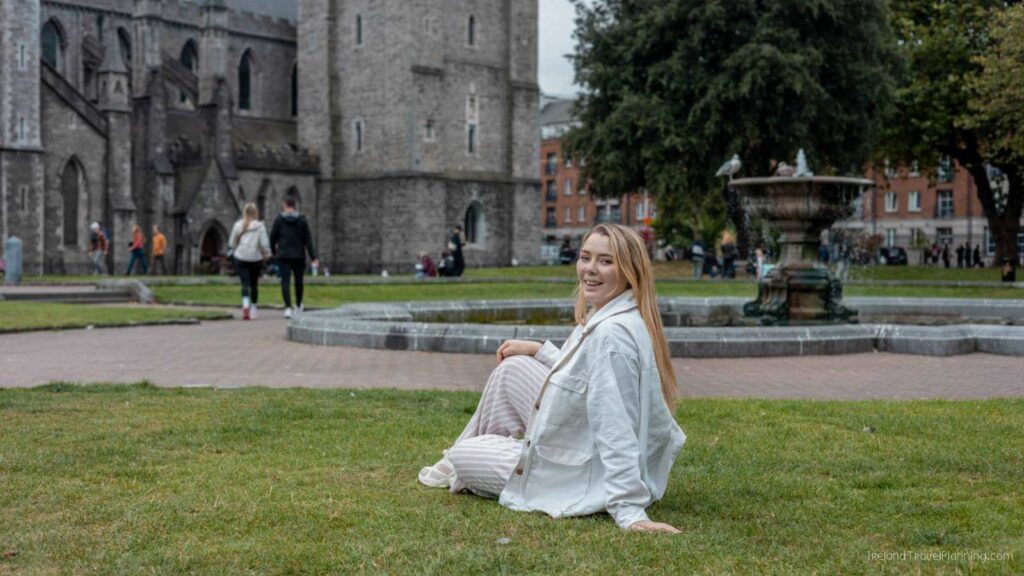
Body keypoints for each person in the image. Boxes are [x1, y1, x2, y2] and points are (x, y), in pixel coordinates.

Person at [417, 223, 687, 533]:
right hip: (581, 441)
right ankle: (497, 454)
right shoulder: (613, 314)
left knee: (465, 454)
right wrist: (541, 350)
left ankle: (484, 458)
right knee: (513, 369)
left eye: (606, 261)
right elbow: (585, 379)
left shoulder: (612, 335)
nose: (590, 269)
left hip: (584, 475)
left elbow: (617, 424)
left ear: (630, 270)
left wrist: (629, 510)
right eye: (585, 257)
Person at [270, 198, 318, 319]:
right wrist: (313, 256)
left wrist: (274, 252)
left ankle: (287, 308)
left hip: (284, 255)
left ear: (285, 205)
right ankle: (298, 305)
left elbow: (272, 238)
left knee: (285, 281)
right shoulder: (302, 220)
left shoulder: (279, 220)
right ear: (294, 206)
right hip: (298, 255)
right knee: (299, 281)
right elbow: (308, 239)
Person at [229, 203, 271, 320]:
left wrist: (237, 248)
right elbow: (264, 243)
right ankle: (253, 308)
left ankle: (245, 305)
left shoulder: (238, 225)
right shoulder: (260, 226)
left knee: (245, 284)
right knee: (254, 284)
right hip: (255, 258)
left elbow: (231, 243)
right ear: (255, 213)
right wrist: (267, 253)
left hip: (241, 257)